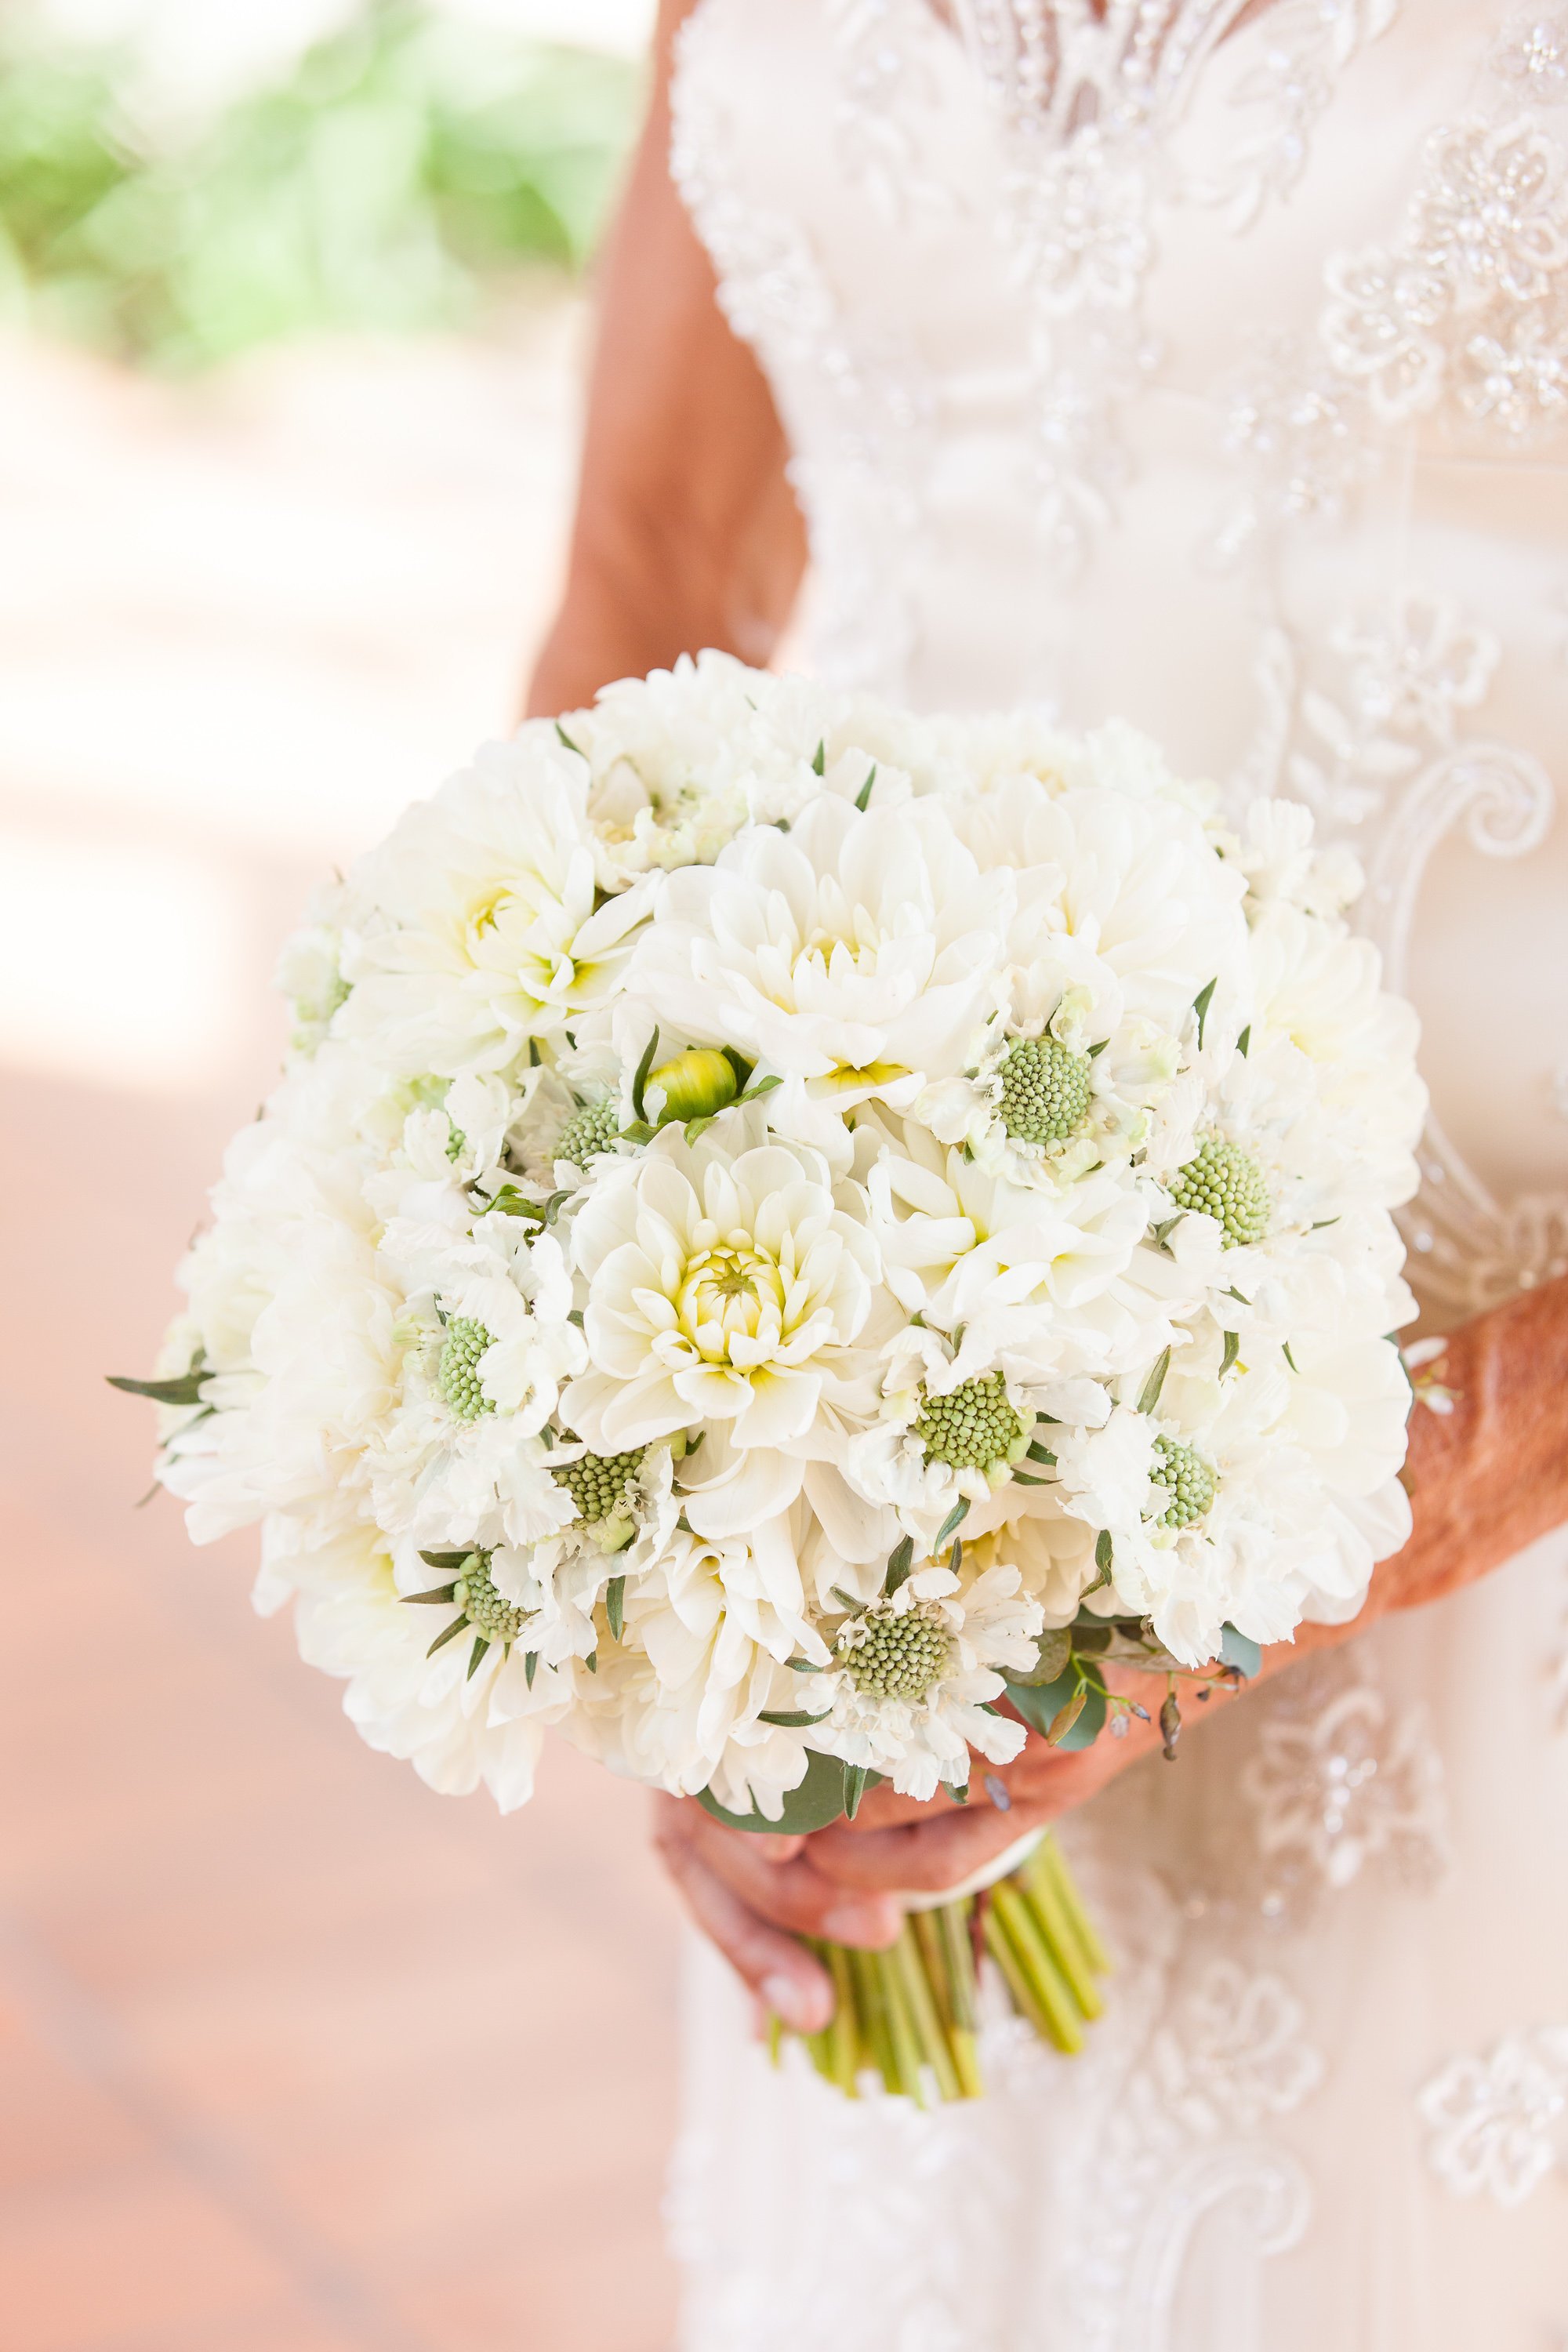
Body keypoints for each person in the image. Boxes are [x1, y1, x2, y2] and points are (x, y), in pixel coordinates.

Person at [530, 0, 1568, 2339]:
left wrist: (1334, 1513)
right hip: (888, 1505)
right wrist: (620, 1477)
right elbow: (652, 567)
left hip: (1497, 1552)